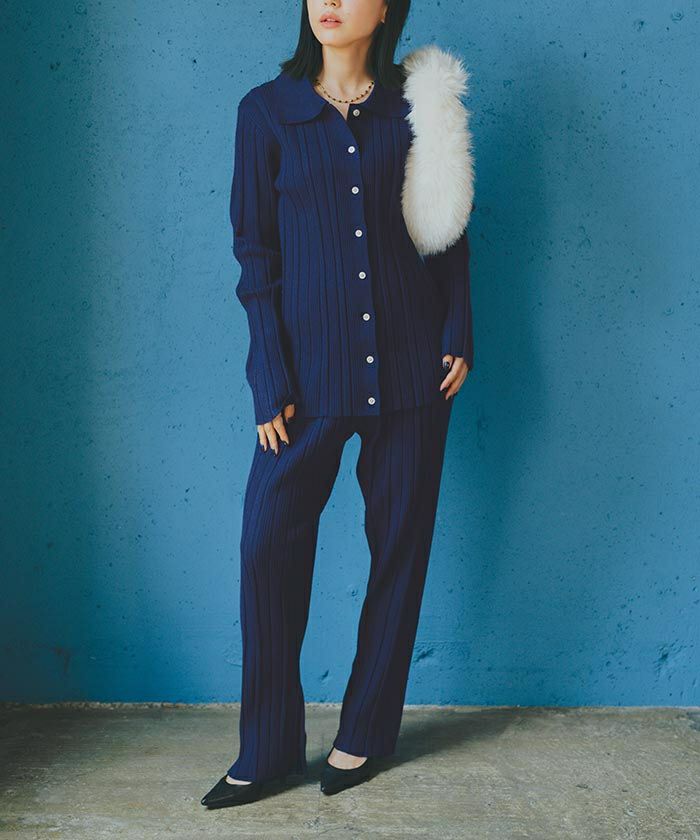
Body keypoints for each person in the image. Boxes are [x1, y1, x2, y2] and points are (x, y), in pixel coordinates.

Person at [202, 0, 475, 809]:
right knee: (268, 546)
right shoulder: (266, 112)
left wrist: (459, 327)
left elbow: (447, 226)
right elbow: (255, 254)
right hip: (308, 379)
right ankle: (267, 749)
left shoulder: (415, 108)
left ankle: (365, 733)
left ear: (385, 8)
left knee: (400, 551)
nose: (329, 2)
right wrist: (267, 374)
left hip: (414, 370)